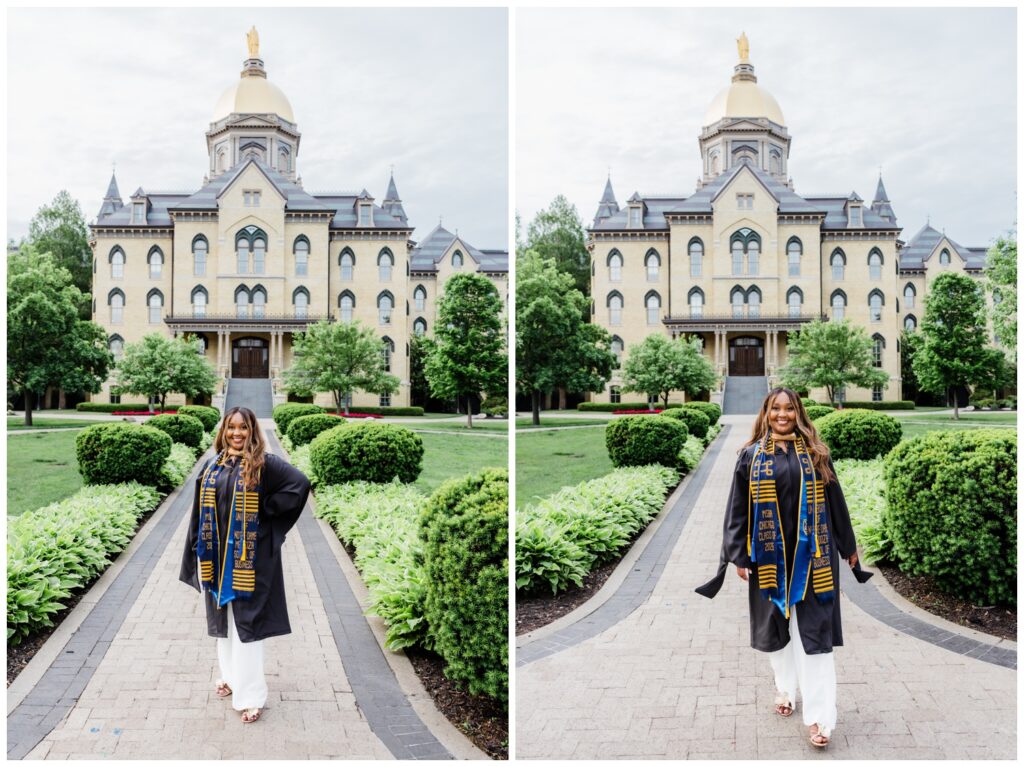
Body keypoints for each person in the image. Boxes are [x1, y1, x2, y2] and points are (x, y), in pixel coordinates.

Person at [696, 387, 867, 748]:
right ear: (766, 412)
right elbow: (737, 509)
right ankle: (785, 688)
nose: (783, 414)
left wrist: (848, 547)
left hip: (814, 559)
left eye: (789, 408)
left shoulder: (817, 454)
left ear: (799, 413)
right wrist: (738, 555)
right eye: (776, 408)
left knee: (815, 638)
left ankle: (821, 719)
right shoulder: (751, 456)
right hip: (769, 557)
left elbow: (836, 503)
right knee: (776, 630)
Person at [179, 406, 310, 723]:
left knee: (246, 625)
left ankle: (252, 696)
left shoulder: (264, 464)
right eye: (231, 428)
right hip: (216, 559)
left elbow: (300, 484)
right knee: (222, 624)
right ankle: (230, 677)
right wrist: (198, 548)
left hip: (248, 562)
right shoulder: (213, 467)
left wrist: (266, 511)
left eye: (243, 428)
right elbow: (199, 512)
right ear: (223, 431)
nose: (236, 433)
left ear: (253, 431)